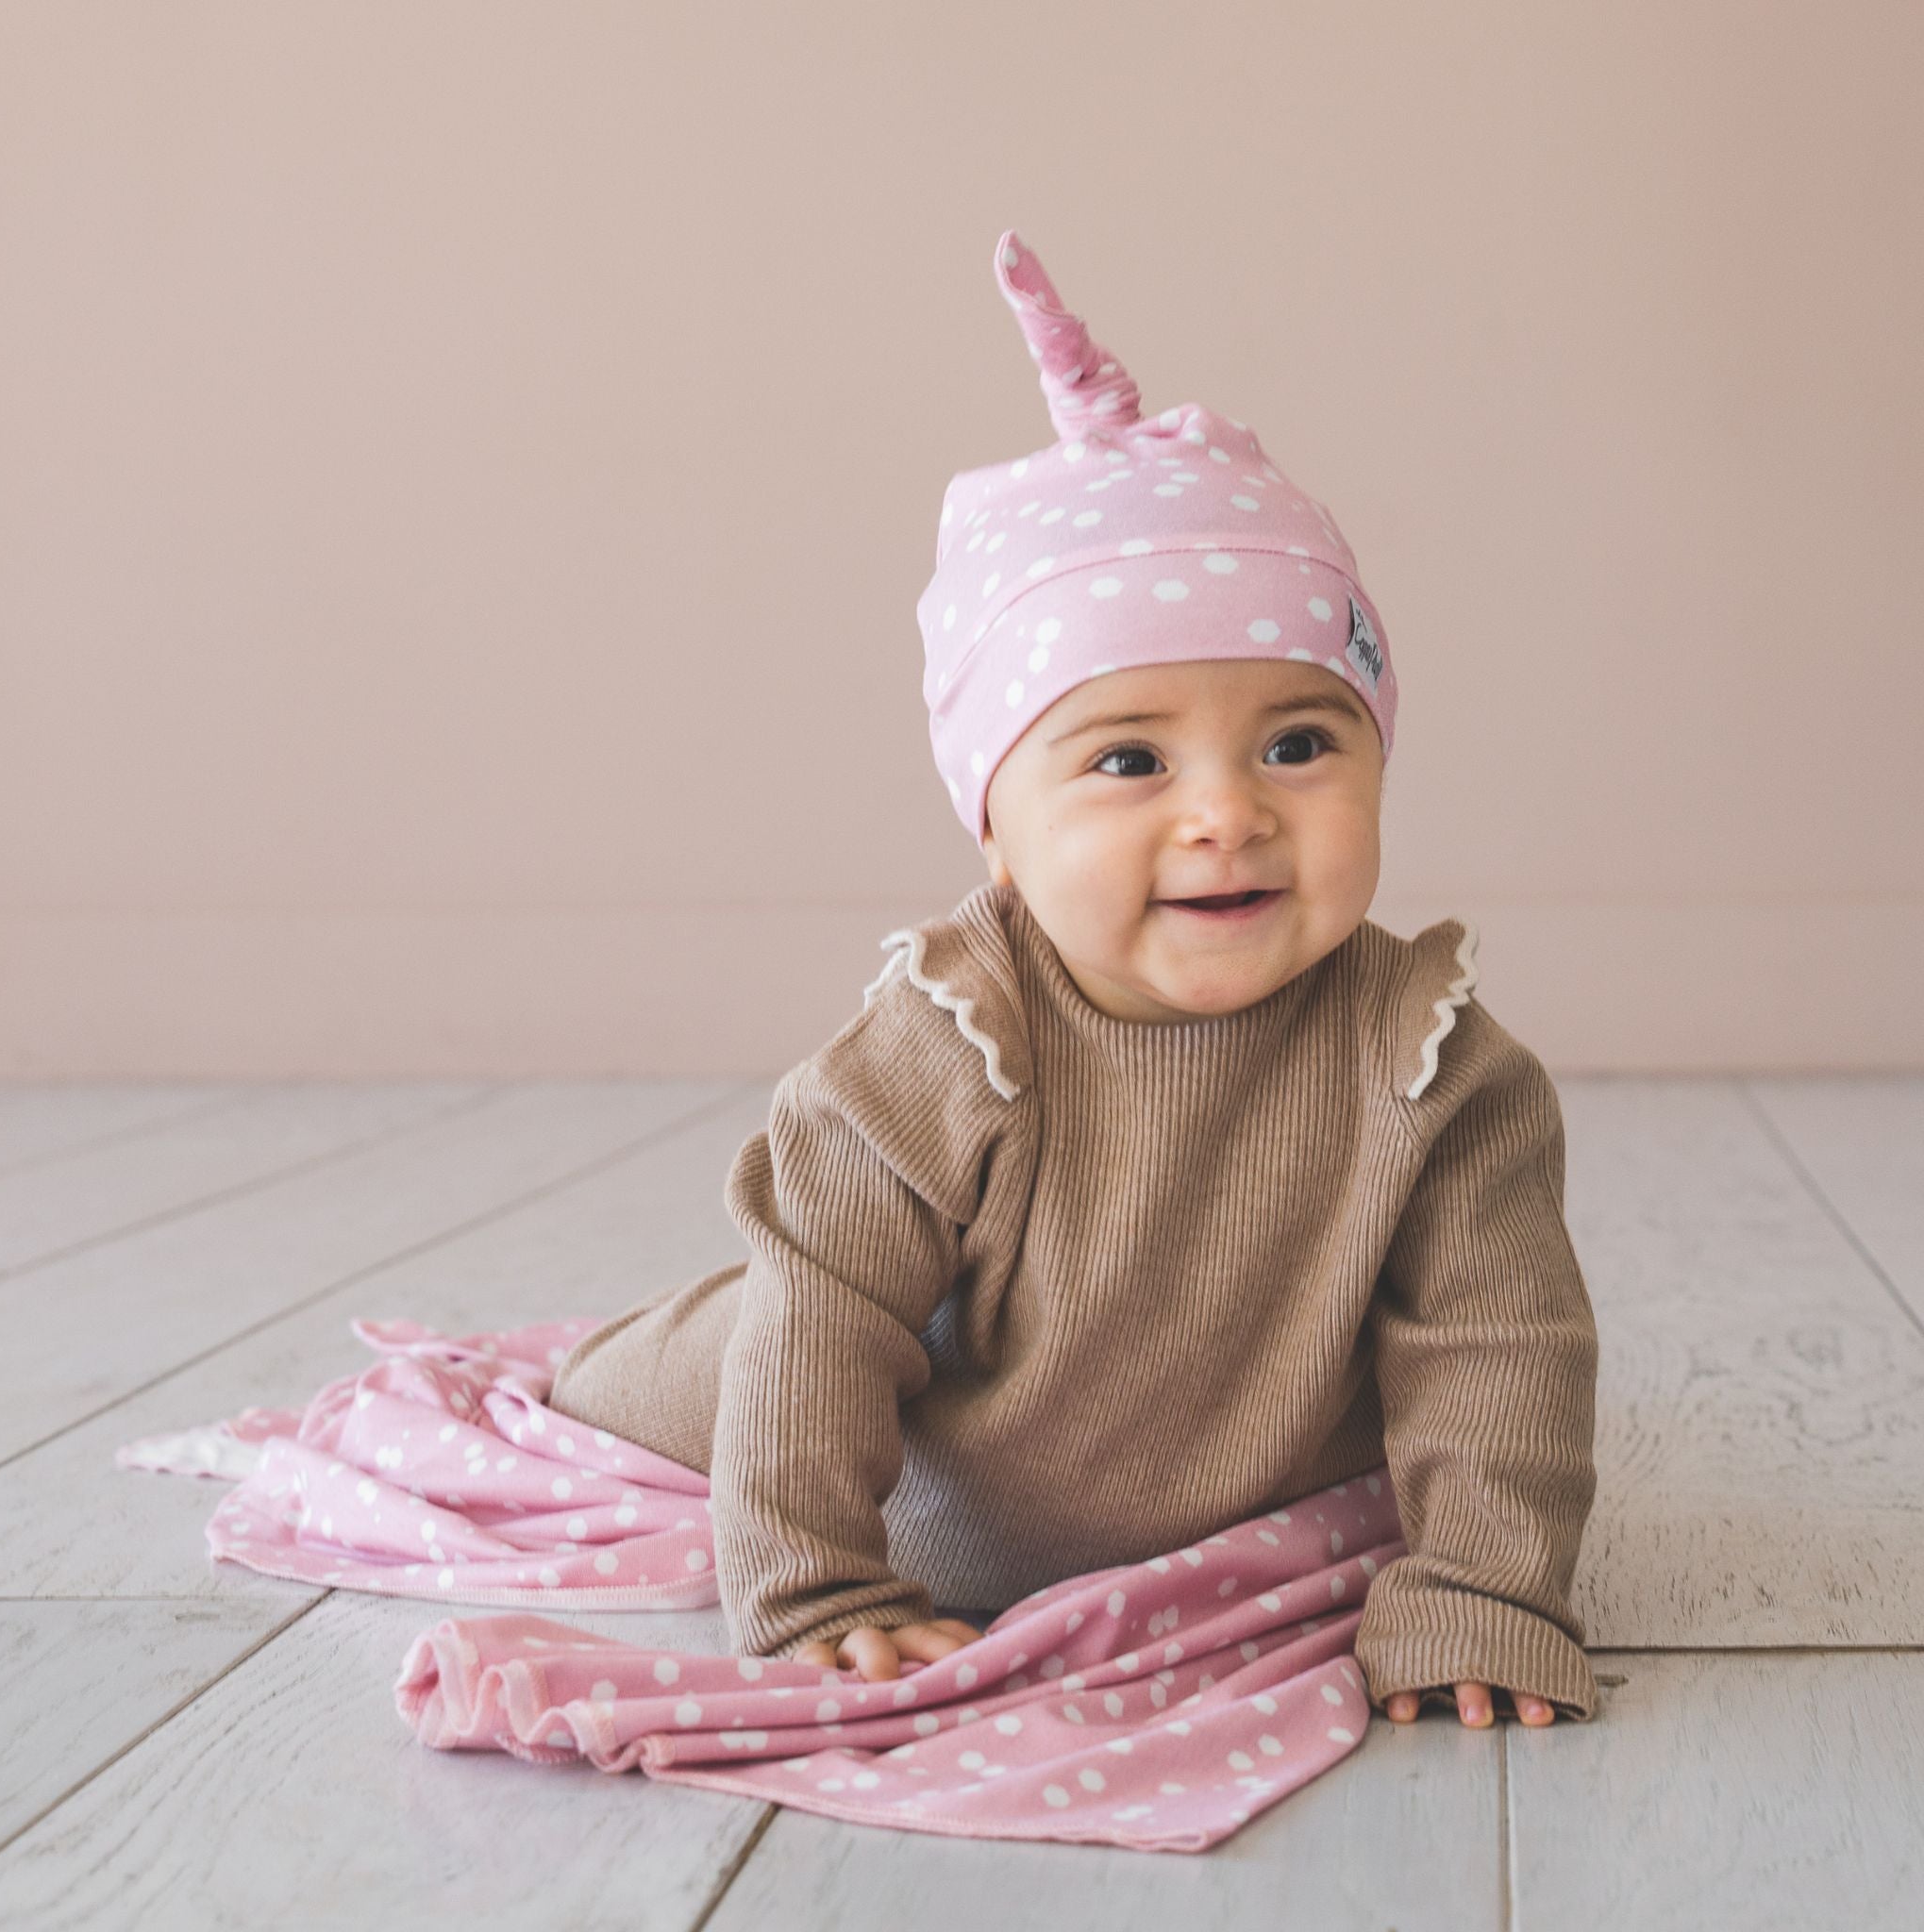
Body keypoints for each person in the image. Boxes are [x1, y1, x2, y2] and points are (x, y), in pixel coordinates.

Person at [547, 230, 1600, 1731]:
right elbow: (823, 1321)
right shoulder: (948, 1048)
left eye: (1301, 744)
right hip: (914, 1436)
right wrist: (815, 1590)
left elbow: (1501, 1349)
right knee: (707, 1354)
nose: (1227, 813)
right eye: (1127, 760)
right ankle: (582, 1365)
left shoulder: (1435, 1069)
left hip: (1222, 1458)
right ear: (995, 823)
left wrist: (1486, 1587)